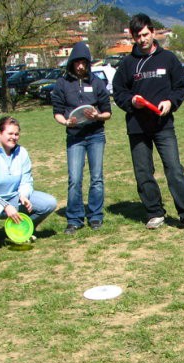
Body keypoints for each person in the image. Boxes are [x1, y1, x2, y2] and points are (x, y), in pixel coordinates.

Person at [112, 13, 184, 232]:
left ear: (153, 32)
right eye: (137, 36)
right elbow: (118, 92)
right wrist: (132, 101)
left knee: (174, 169)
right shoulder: (127, 64)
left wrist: (171, 102)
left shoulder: (168, 59)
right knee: (143, 172)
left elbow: (180, 87)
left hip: (163, 126)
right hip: (137, 127)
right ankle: (154, 212)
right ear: (132, 37)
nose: (142, 39)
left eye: (145, 34)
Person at [51, 42, 112, 235]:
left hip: (95, 135)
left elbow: (108, 112)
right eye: (76, 62)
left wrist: (98, 116)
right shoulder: (62, 84)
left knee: (96, 178)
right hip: (75, 137)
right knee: (74, 178)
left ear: (88, 63)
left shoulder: (96, 82)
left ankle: (95, 216)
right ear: (71, 63)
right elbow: (57, 112)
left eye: (83, 63)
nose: (80, 66)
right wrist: (66, 122)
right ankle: (74, 218)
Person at [0, 117, 57, 251]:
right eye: (10, 134)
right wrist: (5, 206)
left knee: (49, 203)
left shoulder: (21, 152)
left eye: (16, 134)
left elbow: (26, 179)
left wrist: (24, 195)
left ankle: (18, 231)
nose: (14, 137)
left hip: (13, 197)